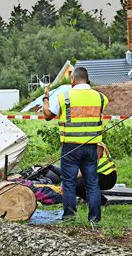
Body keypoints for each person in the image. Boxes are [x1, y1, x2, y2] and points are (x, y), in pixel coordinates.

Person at [42, 67, 108, 222]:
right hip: (92, 146)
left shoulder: (64, 96)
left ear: (73, 79)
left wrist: (45, 98)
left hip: (70, 147)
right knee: (92, 184)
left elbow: (47, 115)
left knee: (69, 182)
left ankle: (70, 218)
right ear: (87, 78)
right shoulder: (100, 97)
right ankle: (95, 219)